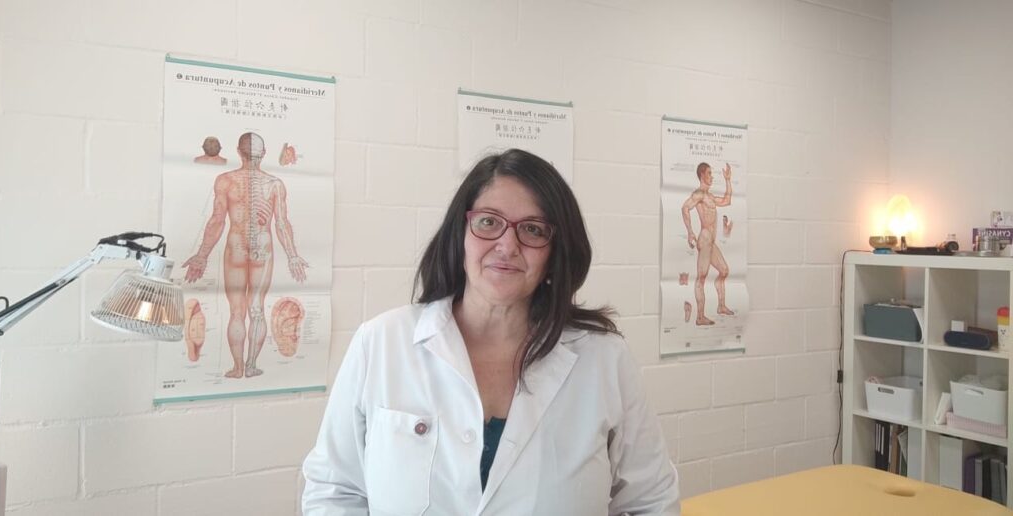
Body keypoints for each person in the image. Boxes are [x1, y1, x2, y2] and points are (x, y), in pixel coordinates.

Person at [302, 149, 679, 515]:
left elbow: (651, 500)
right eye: (488, 222)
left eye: (533, 230)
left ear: (555, 254)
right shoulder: (381, 343)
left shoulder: (604, 359)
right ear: (461, 235)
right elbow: (335, 491)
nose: (507, 245)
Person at [182, 132, 309, 378]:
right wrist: (292, 255)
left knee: (237, 312)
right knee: (257, 309)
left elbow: (217, 220)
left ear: (239, 152)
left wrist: (202, 255)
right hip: (262, 247)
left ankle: (237, 367)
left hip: (236, 246)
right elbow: (281, 224)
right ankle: (251, 365)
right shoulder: (274, 184)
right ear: (264, 154)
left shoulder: (226, 181)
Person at [681, 162, 734, 326]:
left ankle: (721, 306)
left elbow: (727, 200)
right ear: (702, 175)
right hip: (704, 239)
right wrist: (690, 231)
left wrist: (728, 180)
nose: (712, 176)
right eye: (709, 173)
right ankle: (700, 317)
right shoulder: (699, 194)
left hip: (711, 241)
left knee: (724, 271)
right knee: (702, 277)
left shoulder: (710, 196)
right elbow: (685, 208)